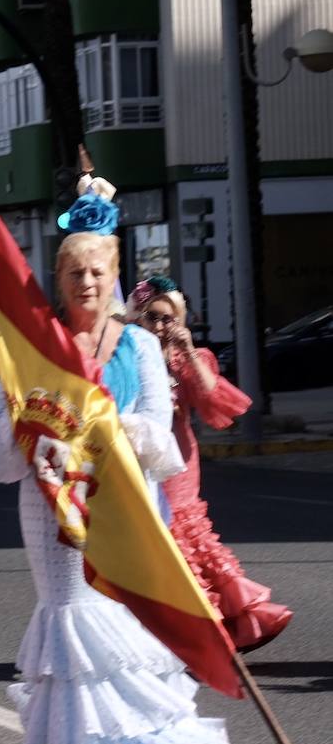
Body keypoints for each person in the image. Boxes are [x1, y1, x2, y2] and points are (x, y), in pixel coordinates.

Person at [0, 231, 228, 744]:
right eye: (74, 273)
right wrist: (36, 432)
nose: (86, 282)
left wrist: (98, 427)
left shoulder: (136, 343)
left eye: (96, 272)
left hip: (122, 500)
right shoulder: (32, 342)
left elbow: (159, 430)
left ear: (114, 277)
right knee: (72, 619)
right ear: (57, 279)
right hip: (49, 500)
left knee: (124, 621)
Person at [129, 277, 291, 652]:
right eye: (151, 317)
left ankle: (228, 622)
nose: (159, 326)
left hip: (178, 461)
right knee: (153, 546)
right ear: (137, 319)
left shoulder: (190, 358)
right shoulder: (129, 355)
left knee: (185, 538)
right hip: (136, 459)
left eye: (168, 319)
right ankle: (175, 629)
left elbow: (212, 399)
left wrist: (185, 351)